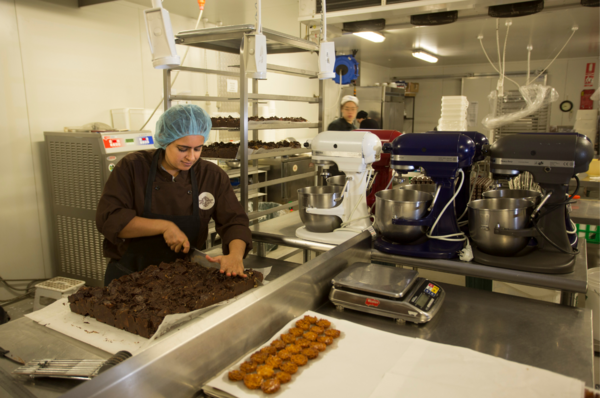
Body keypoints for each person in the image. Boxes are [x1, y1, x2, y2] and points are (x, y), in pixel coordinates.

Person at [96, 104, 252, 286]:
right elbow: (109, 219)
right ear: (165, 140)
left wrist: (235, 255)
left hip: (184, 279)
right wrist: (164, 227)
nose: (191, 157)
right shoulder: (133, 167)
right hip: (130, 278)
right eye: (183, 148)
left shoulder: (211, 176)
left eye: (198, 149)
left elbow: (234, 222)